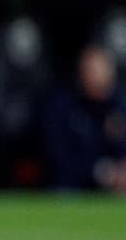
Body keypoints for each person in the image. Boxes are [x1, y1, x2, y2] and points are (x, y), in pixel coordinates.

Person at [41, 43, 126, 193]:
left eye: (99, 70)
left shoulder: (121, 107)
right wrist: (102, 172)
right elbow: (58, 156)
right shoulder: (64, 106)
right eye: (90, 70)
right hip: (72, 187)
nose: (95, 76)